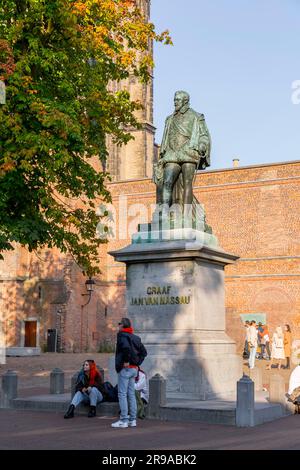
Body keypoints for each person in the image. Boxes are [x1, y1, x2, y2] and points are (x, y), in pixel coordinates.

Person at [154, 90, 211, 209]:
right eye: (174, 100)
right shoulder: (169, 119)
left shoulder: (196, 116)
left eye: (177, 100)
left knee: (187, 183)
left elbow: (204, 135)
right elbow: (166, 138)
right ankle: (163, 212)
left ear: (185, 101)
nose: (175, 102)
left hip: (188, 153)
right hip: (172, 154)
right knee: (167, 182)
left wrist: (202, 144)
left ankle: (187, 214)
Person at [111, 317, 147, 429]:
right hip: (134, 369)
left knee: (122, 394)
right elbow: (144, 352)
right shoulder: (136, 338)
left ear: (123, 325)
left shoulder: (122, 335)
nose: (118, 325)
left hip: (125, 369)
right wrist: (137, 363)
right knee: (131, 394)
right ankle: (132, 420)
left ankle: (123, 420)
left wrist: (126, 361)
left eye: (119, 323)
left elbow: (126, 348)